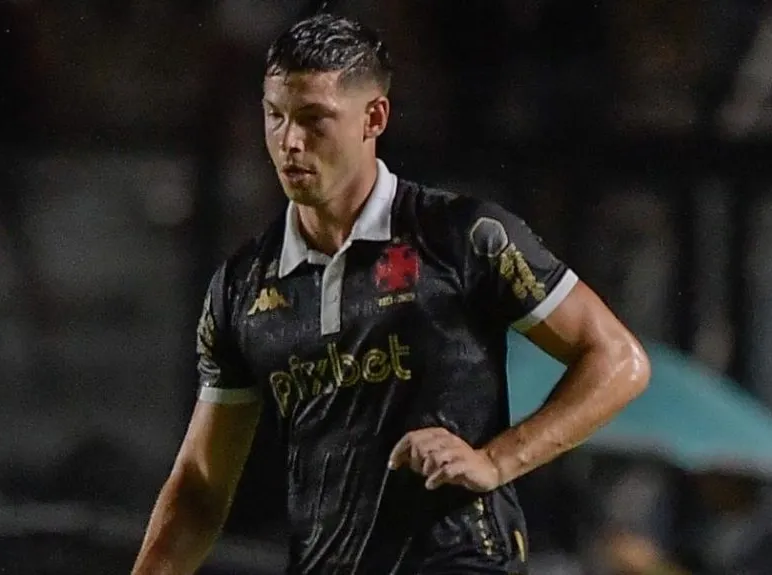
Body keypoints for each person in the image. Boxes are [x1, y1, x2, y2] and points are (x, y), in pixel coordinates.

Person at [131, 13, 650, 575]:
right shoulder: (241, 288)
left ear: (374, 117)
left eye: (314, 119)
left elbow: (619, 360)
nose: (290, 142)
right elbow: (201, 490)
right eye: (275, 116)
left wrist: (496, 461)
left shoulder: (462, 237)